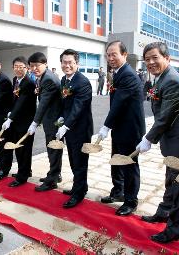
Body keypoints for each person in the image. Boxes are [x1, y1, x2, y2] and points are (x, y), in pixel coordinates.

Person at [137, 42, 179, 243]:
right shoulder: (161, 79)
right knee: (171, 182)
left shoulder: (172, 80)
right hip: (173, 143)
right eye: (147, 59)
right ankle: (164, 213)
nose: (151, 62)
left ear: (167, 58)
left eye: (155, 57)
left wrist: (148, 139)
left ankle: (175, 230)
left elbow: (165, 117)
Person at [98, 40, 145, 216]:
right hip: (120, 127)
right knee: (116, 161)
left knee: (129, 165)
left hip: (131, 129)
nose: (110, 58)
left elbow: (118, 103)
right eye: (108, 55)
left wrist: (105, 126)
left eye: (114, 54)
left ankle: (131, 201)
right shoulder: (117, 73)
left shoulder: (128, 75)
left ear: (124, 55)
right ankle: (118, 191)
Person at [56, 49, 93, 208]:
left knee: (80, 163)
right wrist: (61, 118)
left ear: (76, 63)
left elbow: (78, 107)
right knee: (72, 160)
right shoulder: (65, 79)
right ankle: (80, 186)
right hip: (69, 128)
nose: (67, 65)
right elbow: (66, 103)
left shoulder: (82, 82)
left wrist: (66, 125)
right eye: (64, 62)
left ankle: (79, 194)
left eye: (70, 62)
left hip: (80, 129)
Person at [27, 52, 63, 192]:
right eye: (32, 66)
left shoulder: (48, 79)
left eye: (38, 65)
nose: (34, 68)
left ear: (45, 64)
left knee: (53, 149)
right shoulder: (44, 77)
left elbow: (43, 103)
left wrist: (35, 122)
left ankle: (52, 180)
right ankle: (55, 174)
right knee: (54, 149)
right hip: (52, 118)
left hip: (54, 121)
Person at [0, 56, 37, 187]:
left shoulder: (29, 83)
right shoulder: (16, 79)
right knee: (18, 148)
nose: (18, 69)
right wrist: (10, 113)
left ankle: (22, 177)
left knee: (24, 150)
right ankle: (24, 171)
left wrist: (10, 118)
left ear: (27, 68)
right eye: (16, 67)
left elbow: (22, 103)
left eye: (21, 67)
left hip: (26, 122)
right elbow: (14, 99)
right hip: (16, 120)